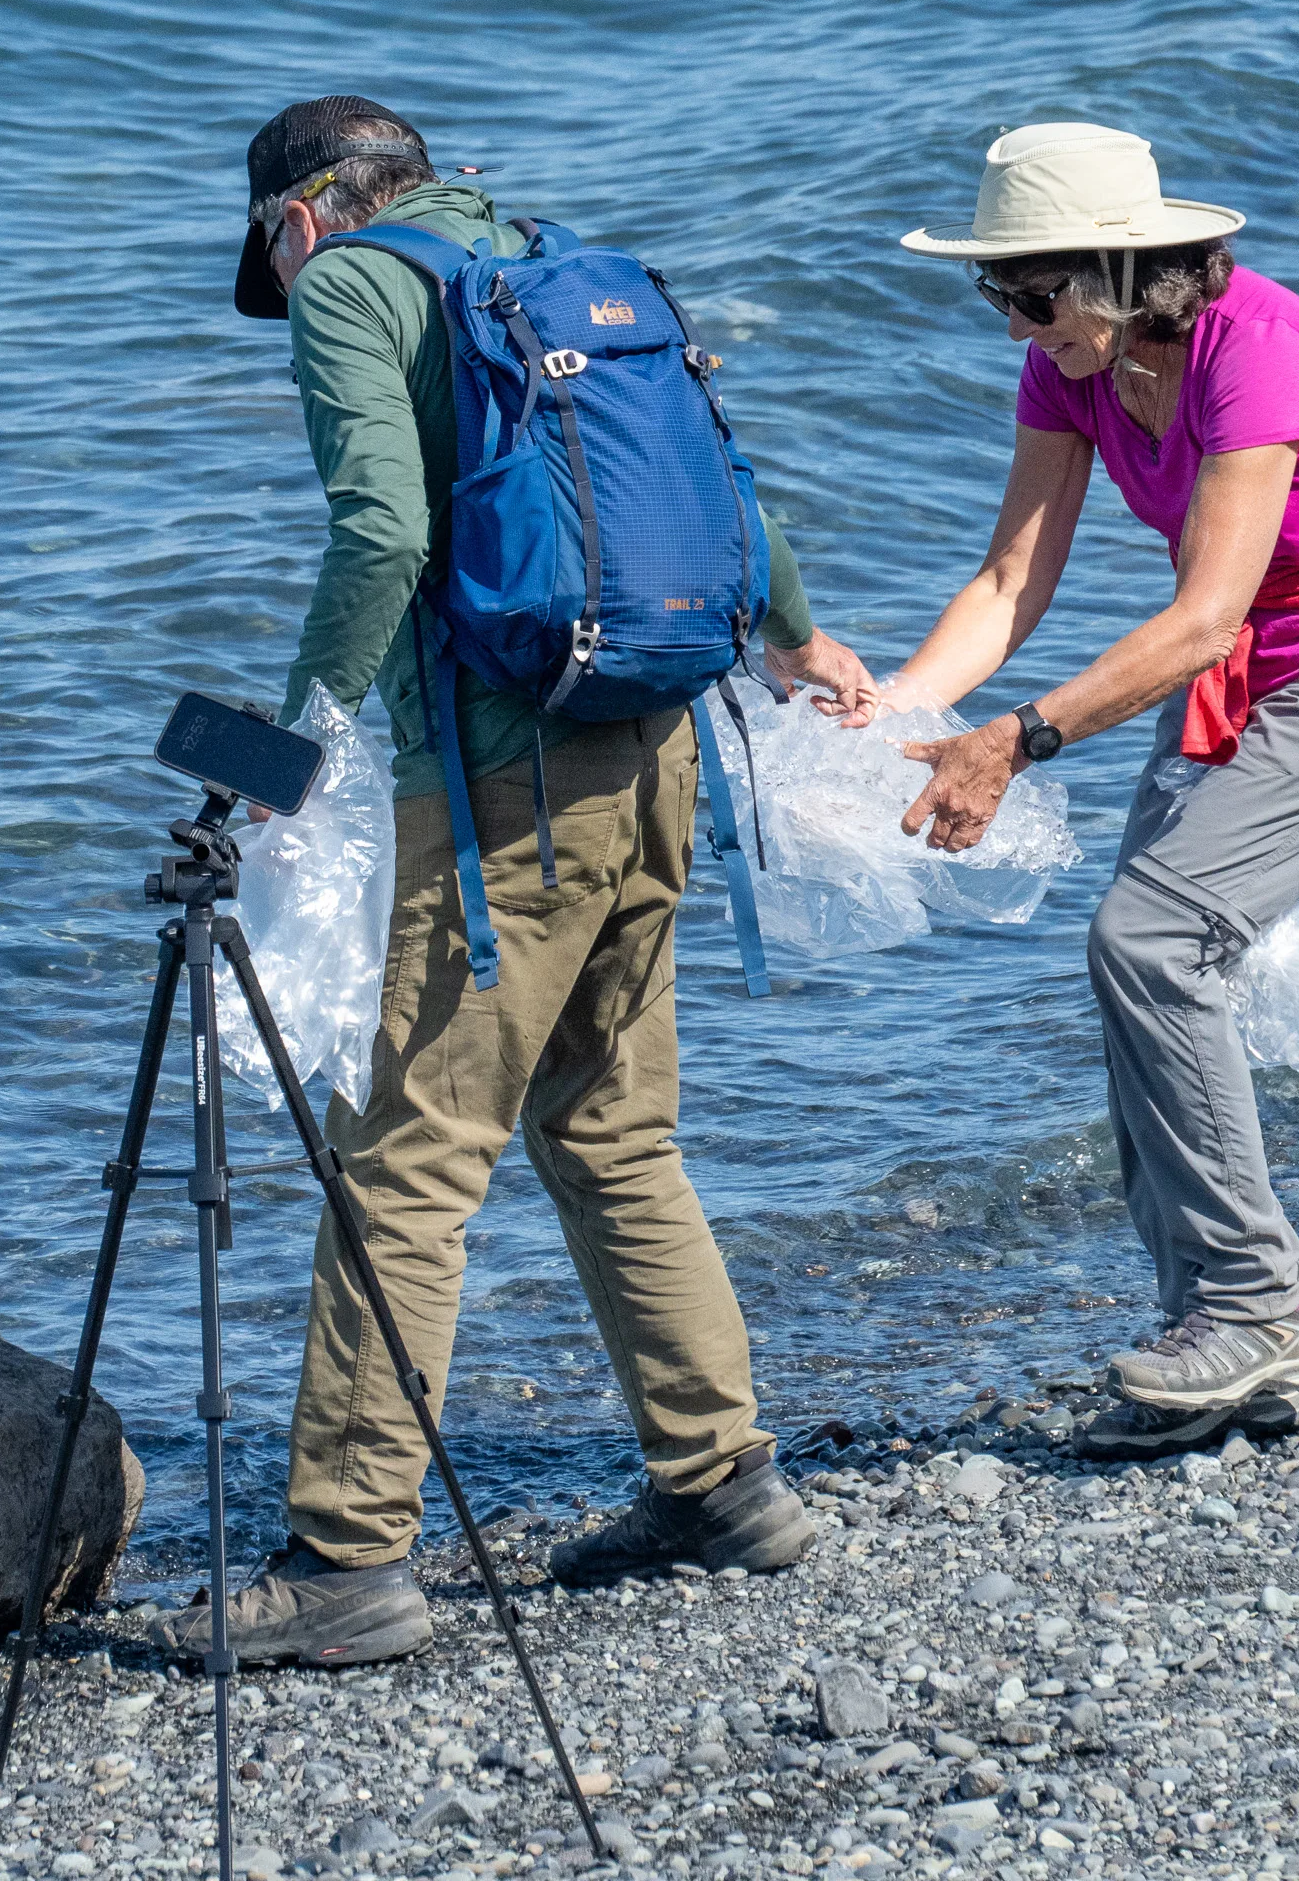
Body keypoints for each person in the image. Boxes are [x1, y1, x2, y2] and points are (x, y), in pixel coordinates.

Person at [154, 95, 876, 1668]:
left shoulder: (354, 287)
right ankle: (722, 1483)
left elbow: (379, 534)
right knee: (614, 1126)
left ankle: (344, 1560)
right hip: (664, 745)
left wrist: (292, 761)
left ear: (298, 222)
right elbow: (724, 479)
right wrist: (803, 640)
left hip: (505, 797)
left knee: (406, 1156)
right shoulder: (555, 266)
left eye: (277, 263)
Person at [867, 122, 1299, 1456]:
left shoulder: (1254, 346)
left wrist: (1017, 741)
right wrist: (897, 716)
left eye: (1034, 293)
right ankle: (1209, 1336)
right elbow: (1006, 585)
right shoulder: (1074, 364)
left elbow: (1207, 615)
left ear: (1120, 265)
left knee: (1154, 942)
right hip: (1250, 660)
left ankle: (1261, 1304)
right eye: (998, 294)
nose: (1017, 323)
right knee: (1139, 968)